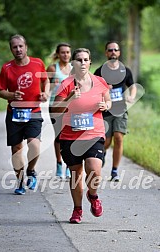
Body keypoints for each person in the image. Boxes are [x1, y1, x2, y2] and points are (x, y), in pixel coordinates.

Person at [51, 48, 111, 223]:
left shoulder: (100, 81)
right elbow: (55, 110)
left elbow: (108, 100)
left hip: (94, 133)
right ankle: (77, 210)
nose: (82, 63)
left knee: (94, 169)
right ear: (73, 63)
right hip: (71, 136)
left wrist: (105, 105)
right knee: (76, 174)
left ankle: (93, 195)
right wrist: (69, 98)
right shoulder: (66, 84)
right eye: (79, 60)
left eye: (86, 60)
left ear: (90, 62)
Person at [0, 34, 50, 195]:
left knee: (34, 145)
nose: (18, 49)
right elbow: (1, 92)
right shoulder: (7, 68)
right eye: (15, 47)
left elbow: (46, 81)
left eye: (21, 46)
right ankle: (20, 182)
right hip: (14, 113)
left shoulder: (38, 63)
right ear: (11, 49)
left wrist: (45, 93)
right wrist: (12, 95)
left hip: (33, 111)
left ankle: (31, 171)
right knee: (16, 149)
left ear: (26, 47)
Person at [94, 41, 136, 182]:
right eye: (110, 50)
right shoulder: (100, 71)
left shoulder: (125, 70)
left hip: (120, 110)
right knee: (106, 142)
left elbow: (132, 85)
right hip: (105, 111)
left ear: (119, 53)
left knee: (118, 137)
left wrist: (132, 95)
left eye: (115, 50)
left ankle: (115, 171)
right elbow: (92, 89)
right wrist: (104, 89)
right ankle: (104, 153)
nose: (113, 52)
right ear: (106, 53)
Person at [47, 42, 72, 179]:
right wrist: (52, 84)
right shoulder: (52, 68)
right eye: (63, 52)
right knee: (59, 136)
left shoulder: (74, 68)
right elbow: (43, 87)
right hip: (55, 106)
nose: (65, 55)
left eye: (68, 52)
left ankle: (69, 165)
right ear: (58, 54)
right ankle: (58, 164)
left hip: (72, 107)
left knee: (70, 136)